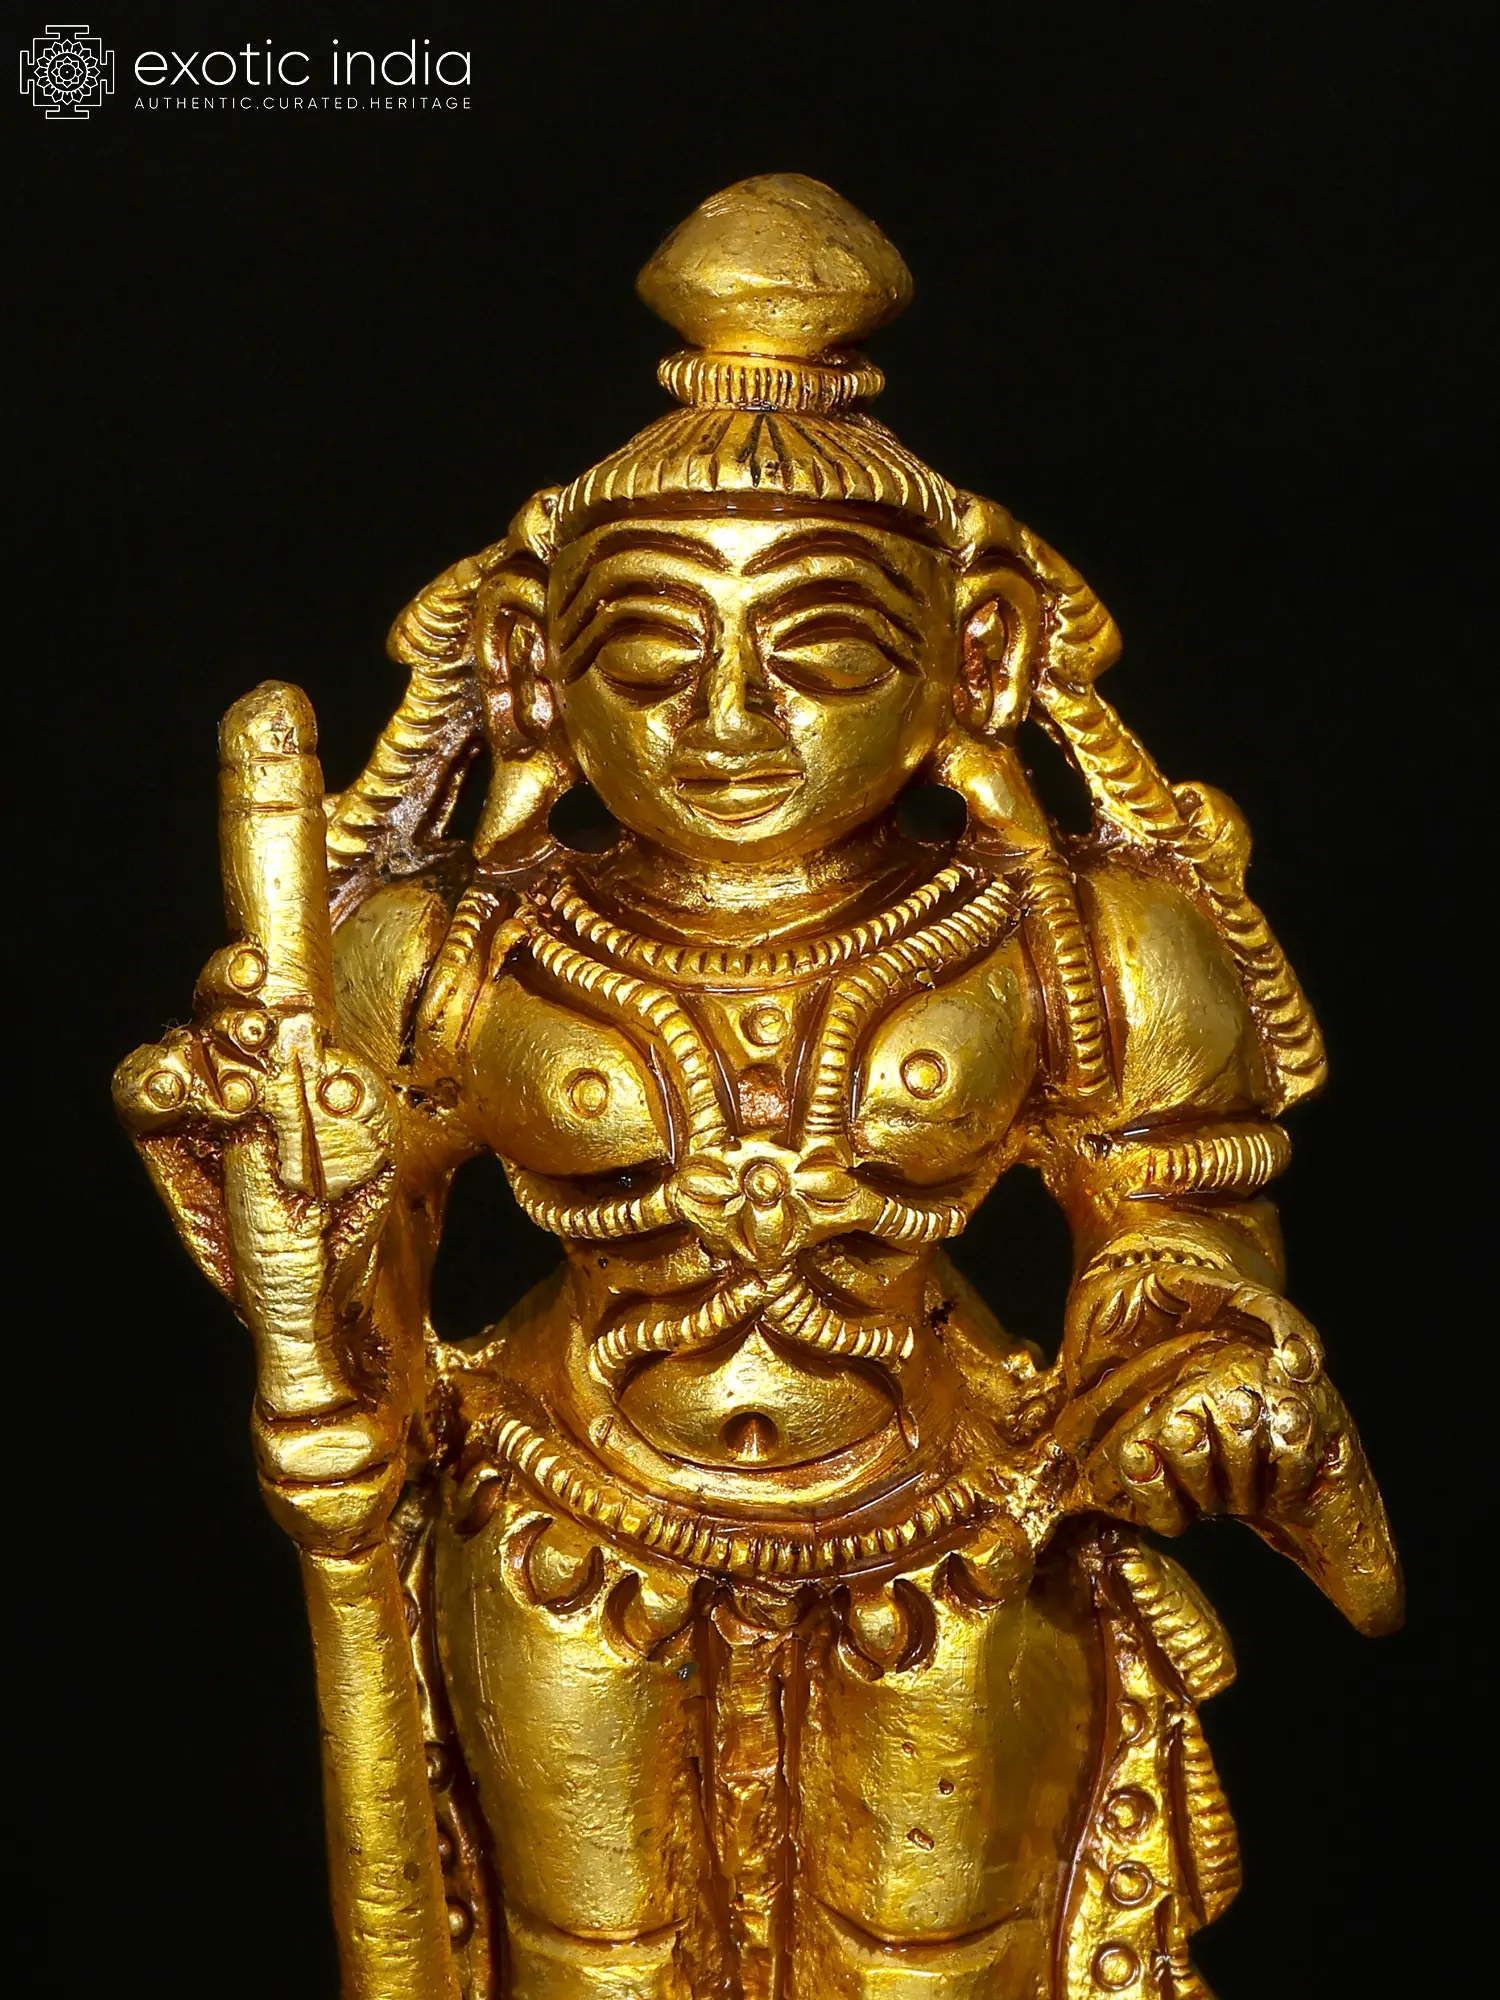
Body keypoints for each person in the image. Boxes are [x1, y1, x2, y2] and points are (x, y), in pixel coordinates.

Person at [115, 174, 1400, 2000]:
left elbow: (1182, 1228)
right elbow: (347, 1296)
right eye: (650, 650)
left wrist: (1193, 1379)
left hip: (960, 1535)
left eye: (819, 650)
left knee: (943, 1956)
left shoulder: (1079, 947)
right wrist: (302, 1214)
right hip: (560, 1522)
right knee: (589, 1959)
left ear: (977, 661)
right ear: (530, 668)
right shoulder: (446, 954)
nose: (727, 720)